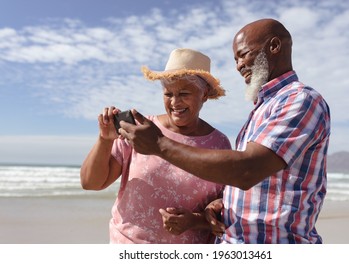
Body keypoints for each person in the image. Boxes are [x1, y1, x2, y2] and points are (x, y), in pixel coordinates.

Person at [119, 18, 331, 244]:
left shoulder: (299, 100)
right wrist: (219, 207)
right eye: (235, 59)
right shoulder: (264, 108)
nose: (239, 65)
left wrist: (159, 145)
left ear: (274, 46)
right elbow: (259, 188)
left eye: (244, 54)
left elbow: (247, 171)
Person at [80, 48, 231, 244]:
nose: (175, 102)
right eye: (168, 94)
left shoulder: (219, 143)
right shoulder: (140, 130)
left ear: (205, 94)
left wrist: (196, 219)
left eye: (184, 93)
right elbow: (91, 183)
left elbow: (225, 201)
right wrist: (105, 139)